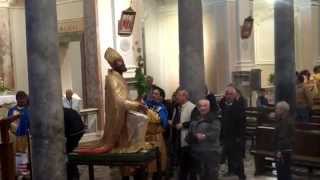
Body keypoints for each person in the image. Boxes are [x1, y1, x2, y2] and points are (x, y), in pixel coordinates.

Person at [186, 99, 221, 180]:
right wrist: (193, 137)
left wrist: (205, 136)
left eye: (205, 106)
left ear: (209, 107)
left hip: (211, 153)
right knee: (198, 175)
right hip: (196, 153)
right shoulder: (194, 120)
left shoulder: (214, 119)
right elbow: (189, 136)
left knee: (211, 176)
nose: (202, 108)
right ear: (198, 108)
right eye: (200, 106)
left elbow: (215, 134)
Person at [219, 86, 246, 180]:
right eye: (227, 94)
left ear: (235, 95)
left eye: (231, 94)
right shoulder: (223, 104)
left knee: (237, 160)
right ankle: (231, 172)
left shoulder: (239, 106)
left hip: (235, 137)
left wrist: (239, 138)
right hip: (226, 136)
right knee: (228, 157)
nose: (228, 96)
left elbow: (242, 124)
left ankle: (241, 177)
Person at [168, 89, 196, 180]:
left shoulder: (192, 107)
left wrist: (183, 125)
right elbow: (176, 120)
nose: (176, 97)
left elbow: (195, 122)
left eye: (179, 95)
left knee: (189, 167)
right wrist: (172, 122)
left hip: (187, 142)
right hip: (177, 140)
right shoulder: (177, 107)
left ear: (185, 97)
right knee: (182, 166)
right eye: (176, 95)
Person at [273, 101, 295, 180]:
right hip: (284, 149)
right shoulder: (283, 119)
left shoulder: (286, 121)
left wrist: (279, 150)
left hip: (284, 150)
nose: (275, 110)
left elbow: (283, 137)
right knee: (283, 172)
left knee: (283, 173)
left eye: (277, 109)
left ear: (282, 110)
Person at [64, 108, 85, 180]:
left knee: (66, 152)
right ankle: (73, 173)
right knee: (68, 151)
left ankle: (72, 174)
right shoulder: (66, 110)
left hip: (74, 133)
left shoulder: (59, 114)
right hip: (80, 130)